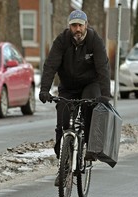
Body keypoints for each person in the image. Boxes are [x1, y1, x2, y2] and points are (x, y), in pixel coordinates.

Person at [39, 9, 111, 184]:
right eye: (73, 26)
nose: (77, 29)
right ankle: (63, 164)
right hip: (68, 86)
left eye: (80, 25)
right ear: (69, 27)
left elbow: (103, 68)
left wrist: (105, 94)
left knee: (90, 107)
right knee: (62, 119)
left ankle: (90, 148)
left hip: (90, 84)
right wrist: (44, 89)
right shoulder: (62, 41)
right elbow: (50, 66)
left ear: (86, 25)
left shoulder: (94, 41)